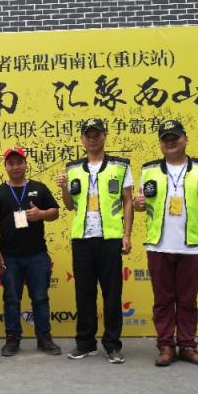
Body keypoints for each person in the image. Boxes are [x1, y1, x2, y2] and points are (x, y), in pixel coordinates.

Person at [133, 119, 198, 367]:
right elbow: (141, 203)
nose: (170, 142)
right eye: (165, 138)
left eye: (175, 137)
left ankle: (187, 346)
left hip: (192, 246)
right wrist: (138, 205)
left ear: (185, 139)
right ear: (160, 143)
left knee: (187, 301)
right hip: (158, 246)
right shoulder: (149, 170)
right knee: (162, 300)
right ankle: (165, 346)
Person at [56, 118, 133, 364]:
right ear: (82, 138)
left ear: (104, 135)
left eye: (97, 134)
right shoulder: (73, 168)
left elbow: (128, 201)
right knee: (84, 293)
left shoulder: (120, 166)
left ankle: (112, 344)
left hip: (110, 238)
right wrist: (63, 188)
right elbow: (70, 205)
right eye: (88, 135)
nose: (92, 138)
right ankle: (85, 343)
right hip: (82, 239)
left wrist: (127, 235)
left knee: (112, 294)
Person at [0, 147, 61, 356]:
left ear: (26, 164)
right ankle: (12, 339)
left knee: (40, 298)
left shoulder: (39, 188)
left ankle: (44, 338)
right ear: (5, 166)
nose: (16, 167)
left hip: (37, 254)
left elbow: (55, 212)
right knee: (11, 299)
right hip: (9, 256)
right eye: (11, 163)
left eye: (19, 162)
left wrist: (41, 214)